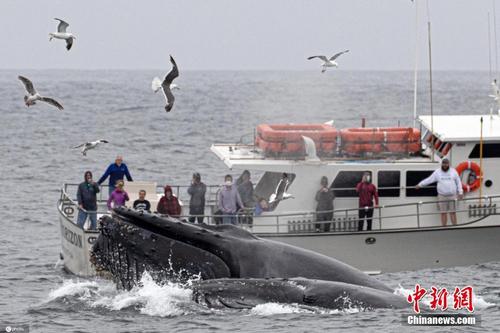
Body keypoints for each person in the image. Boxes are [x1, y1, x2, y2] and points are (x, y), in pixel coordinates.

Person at [416, 158, 463, 226]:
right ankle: (444, 228)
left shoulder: (453, 171)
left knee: (453, 213)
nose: (445, 165)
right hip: (442, 196)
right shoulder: (437, 172)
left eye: (446, 163)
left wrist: (460, 192)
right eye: (443, 163)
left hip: (452, 196)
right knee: (443, 213)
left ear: (448, 164)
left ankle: (455, 227)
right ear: (442, 164)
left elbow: (458, 182)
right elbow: (429, 180)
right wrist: (420, 184)